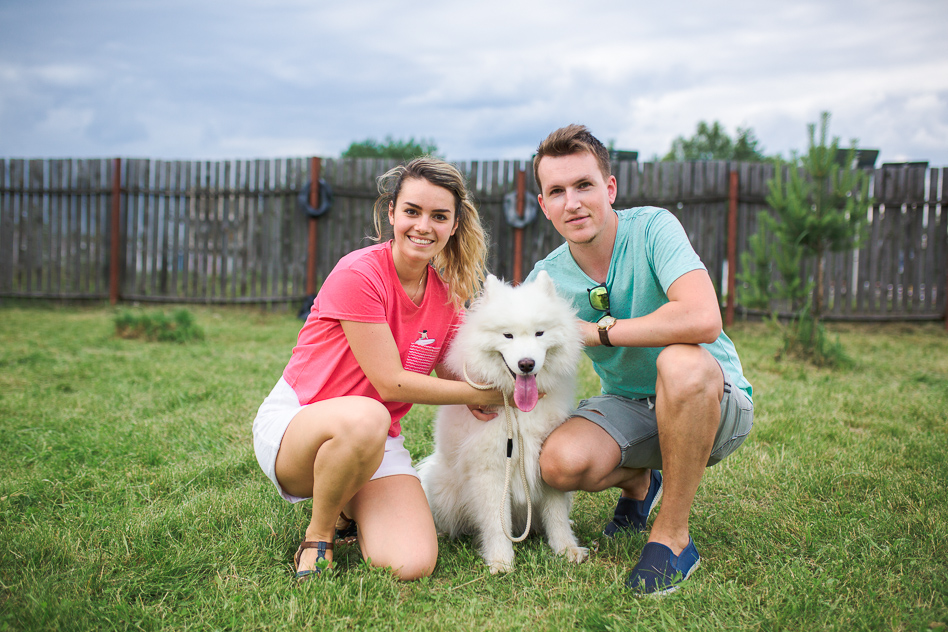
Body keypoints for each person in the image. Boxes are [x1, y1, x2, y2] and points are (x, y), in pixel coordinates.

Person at [252, 157, 505, 581]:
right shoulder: (359, 273)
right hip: (298, 428)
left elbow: (459, 375)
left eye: (439, 216)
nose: (423, 226)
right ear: (391, 213)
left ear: (454, 224)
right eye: (412, 211)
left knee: (412, 562)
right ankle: (319, 534)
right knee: (369, 414)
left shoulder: (446, 296)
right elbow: (390, 384)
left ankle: (348, 504)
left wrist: (515, 374)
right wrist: (480, 394)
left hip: (374, 438)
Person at [526, 125, 754, 596]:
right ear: (544, 205)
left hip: (712, 401)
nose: (573, 202)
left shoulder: (653, 228)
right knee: (558, 464)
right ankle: (640, 484)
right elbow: (515, 340)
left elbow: (703, 317)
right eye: (557, 191)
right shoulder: (546, 276)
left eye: (584, 185)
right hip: (629, 405)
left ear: (609, 188)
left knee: (680, 363)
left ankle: (673, 537)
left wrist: (600, 332)